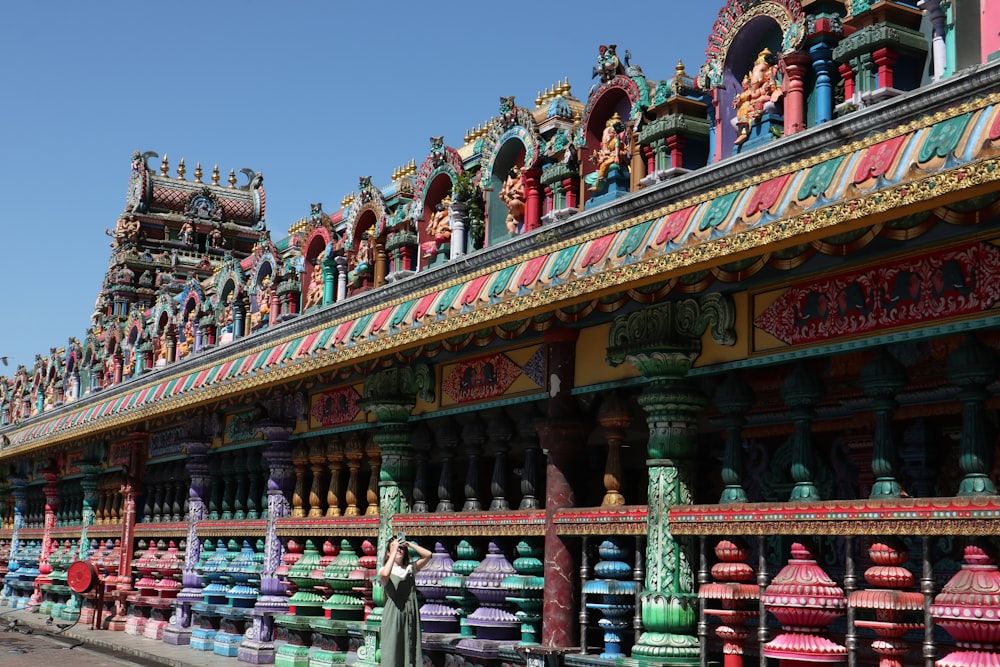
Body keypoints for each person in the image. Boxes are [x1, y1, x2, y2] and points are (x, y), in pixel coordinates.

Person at [379, 536, 432, 667]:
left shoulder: (410, 568)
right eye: (395, 547)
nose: (399, 549)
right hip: (394, 614)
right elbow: (385, 573)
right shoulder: (384, 570)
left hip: (411, 612)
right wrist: (393, 550)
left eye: (401, 548)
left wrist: (410, 544)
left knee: (411, 647)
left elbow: (428, 555)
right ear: (388, 552)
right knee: (393, 650)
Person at [733, 48, 782, 146]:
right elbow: (752, 95)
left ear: (768, 71)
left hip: (767, 102)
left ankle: (751, 123)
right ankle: (743, 132)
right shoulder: (751, 90)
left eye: (762, 70)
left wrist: (766, 92)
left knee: (767, 106)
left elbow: (773, 93)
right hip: (753, 105)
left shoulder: (770, 81)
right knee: (738, 115)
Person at [499, 167, 525, 234]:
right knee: (508, 221)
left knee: (514, 203)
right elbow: (506, 199)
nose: (509, 182)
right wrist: (502, 196)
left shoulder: (519, 184)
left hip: (521, 206)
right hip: (512, 211)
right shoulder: (510, 188)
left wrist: (517, 191)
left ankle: (517, 219)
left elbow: (524, 193)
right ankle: (512, 231)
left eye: (511, 179)